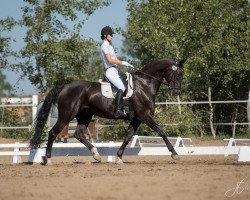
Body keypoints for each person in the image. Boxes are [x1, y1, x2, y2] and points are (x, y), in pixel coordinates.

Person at [100, 26, 134, 118]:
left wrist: (126, 64)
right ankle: (117, 110)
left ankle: (126, 108)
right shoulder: (104, 46)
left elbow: (115, 59)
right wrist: (123, 62)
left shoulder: (110, 46)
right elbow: (110, 60)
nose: (112, 36)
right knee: (122, 88)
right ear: (105, 35)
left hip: (115, 70)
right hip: (110, 71)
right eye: (110, 34)